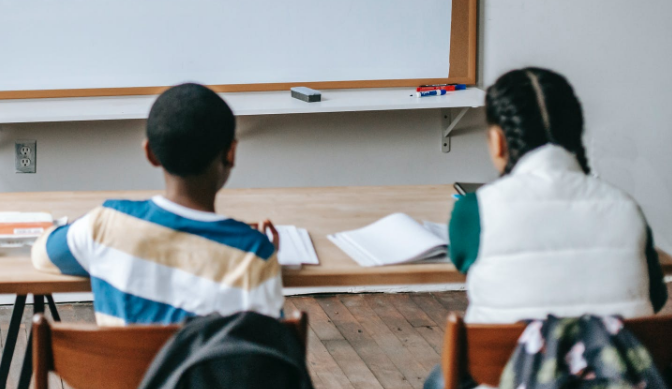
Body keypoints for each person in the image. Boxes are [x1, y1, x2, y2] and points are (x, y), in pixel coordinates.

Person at [424, 67, 667, 389]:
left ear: (497, 141)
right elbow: (656, 296)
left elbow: (462, 261)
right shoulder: (625, 207)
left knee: (439, 380)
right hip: (619, 377)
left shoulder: (475, 210)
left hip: (508, 377)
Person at [32, 83, 284, 326]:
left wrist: (99, 227)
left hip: (125, 371)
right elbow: (271, 354)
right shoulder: (253, 254)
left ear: (150, 153)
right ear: (231, 153)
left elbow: (42, 254)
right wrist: (258, 248)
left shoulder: (104, 224)